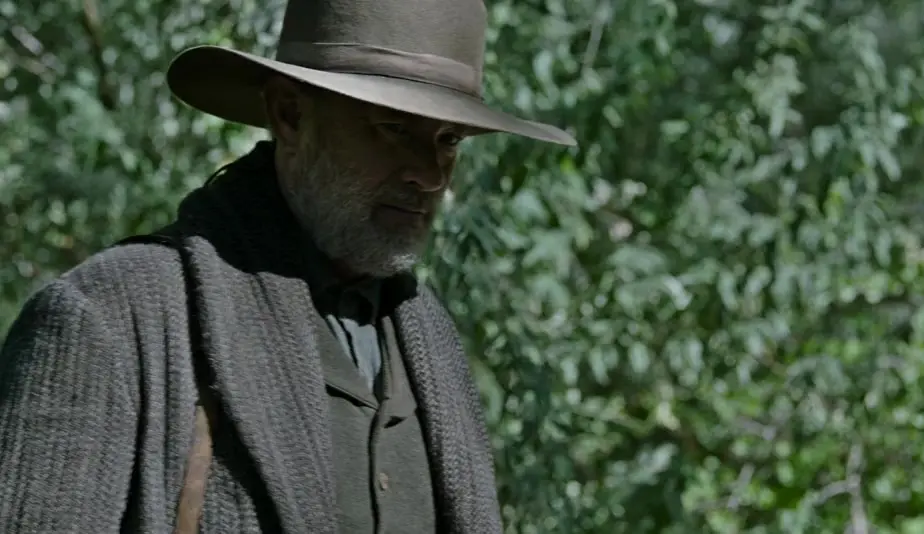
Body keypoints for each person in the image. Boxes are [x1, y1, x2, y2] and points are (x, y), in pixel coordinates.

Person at [0, 0, 574, 532]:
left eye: (448, 139)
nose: (429, 174)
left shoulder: (427, 339)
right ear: (290, 114)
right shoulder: (112, 318)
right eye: (395, 127)